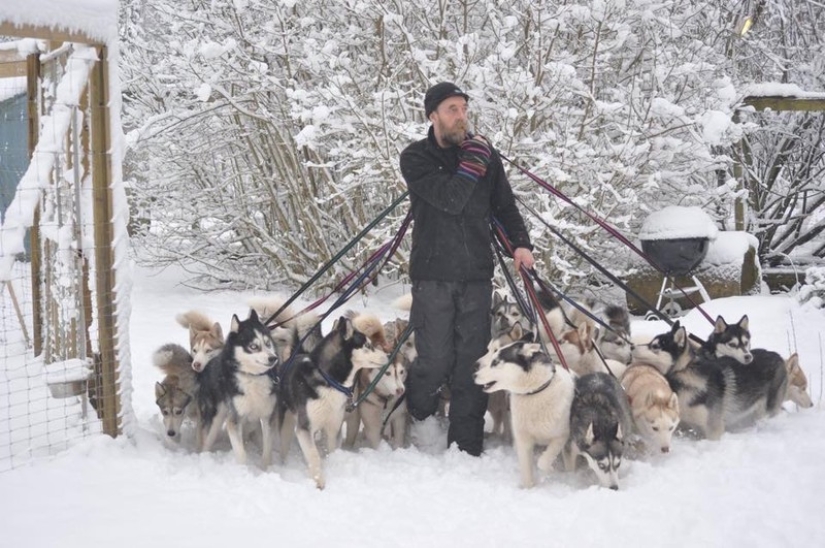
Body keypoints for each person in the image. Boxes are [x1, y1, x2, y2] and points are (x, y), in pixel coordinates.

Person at [399, 82, 535, 456]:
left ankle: (467, 441)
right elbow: (451, 199)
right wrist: (475, 161)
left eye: (463, 109)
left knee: (472, 360)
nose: (461, 116)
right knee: (434, 358)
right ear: (433, 116)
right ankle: (425, 421)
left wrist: (521, 244)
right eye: (451, 110)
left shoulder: (484, 157)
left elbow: (504, 205)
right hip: (432, 274)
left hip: (476, 273)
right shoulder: (415, 158)